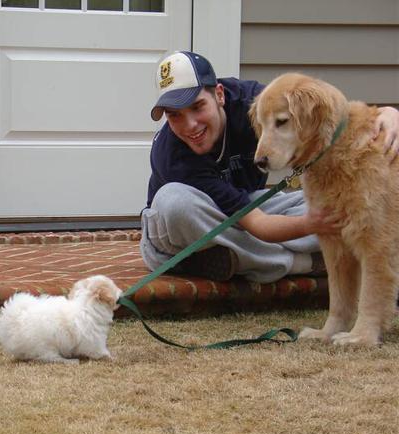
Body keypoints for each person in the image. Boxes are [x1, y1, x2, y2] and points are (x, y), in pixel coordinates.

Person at [140, 50, 399, 283]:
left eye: (197, 107)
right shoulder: (173, 156)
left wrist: (385, 113)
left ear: (219, 94)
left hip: (247, 205)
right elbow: (259, 224)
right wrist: (311, 225)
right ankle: (302, 263)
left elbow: (325, 112)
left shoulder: (256, 103)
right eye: (175, 115)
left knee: (335, 204)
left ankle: (232, 259)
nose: (190, 125)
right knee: (174, 202)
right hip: (183, 233)